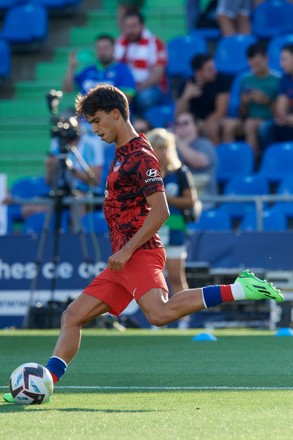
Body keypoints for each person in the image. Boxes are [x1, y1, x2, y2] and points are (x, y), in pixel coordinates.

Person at [3, 83, 284, 403]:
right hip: (122, 259)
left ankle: (239, 288)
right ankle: (46, 383)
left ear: (115, 114)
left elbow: (162, 211)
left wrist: (127, 249)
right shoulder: (122, 153)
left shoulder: (141, 155)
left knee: (159, 314)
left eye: (96, 121)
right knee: (72, 316)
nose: (94, 129)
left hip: (139, 253)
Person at [147, 128, 201, 328]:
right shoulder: (146, 174)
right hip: (152, 230)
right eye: (156, 147)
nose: (160, 152)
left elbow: (190, 200)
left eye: (164, 148)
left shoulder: (180, 173)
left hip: (175, 228)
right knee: (154, 278)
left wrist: (164, 200)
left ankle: (183, 320)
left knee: (177, 277)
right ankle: (156, 318)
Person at [221, 43, 280, 158]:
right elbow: (240, 113)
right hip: (247, 118)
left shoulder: (278, 79)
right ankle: (231, 161)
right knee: (228, 126)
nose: (255, 66)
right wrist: (244, 102)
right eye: (252, 64)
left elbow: (281, 111)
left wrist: (265, 101)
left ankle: (250, 163)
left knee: (250, 125)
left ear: (266, 59)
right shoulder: (244, 79)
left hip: (269, 119)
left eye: (258, 63)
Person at [114, 10, 168, 115]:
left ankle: (143, 125)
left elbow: (157, 74)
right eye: (127, 26)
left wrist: (135, 89)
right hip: (124, 88)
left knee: (144, 99)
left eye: (133, 26)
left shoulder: (155, 43)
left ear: (142, 25)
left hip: (148, 87)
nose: (130, 30)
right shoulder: (118, 43)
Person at [62, 33, 136, 102]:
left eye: (105, 48)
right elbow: (67, 89)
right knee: (66, 114)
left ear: (113, 49)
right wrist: (71, 68)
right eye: (99, 49)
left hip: (112, 114)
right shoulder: (87, 70)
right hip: (85, 114)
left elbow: (127, 97)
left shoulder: (124, 70)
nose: (102, 52)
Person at [175, 54, 231, 145]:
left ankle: (213, 157)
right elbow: (178, 114)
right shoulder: (187, 84)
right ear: (198, 72)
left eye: (214, 68)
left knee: (212, 128)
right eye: (209, 69)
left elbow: (221, 111)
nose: (214, 71)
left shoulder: (221, 80)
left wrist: (203, 125)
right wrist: (186, 97)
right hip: (193, 122)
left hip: (214, 119)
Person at [174, 111, 218, 209]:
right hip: (180, 200)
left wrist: (179, 142)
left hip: (204, 200)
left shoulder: (205, 144)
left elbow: (200, 162)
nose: (181, 126)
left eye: (186, 123)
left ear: (196, 126)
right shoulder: (172, 148)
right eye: (178, 123)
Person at [259, 44, 293, 149]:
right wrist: (282, 117)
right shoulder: (284, 79)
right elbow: (281, 108)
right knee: (266, 128)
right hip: (290, 122)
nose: (281, 64)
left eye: (284, 60)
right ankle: (273, 162)